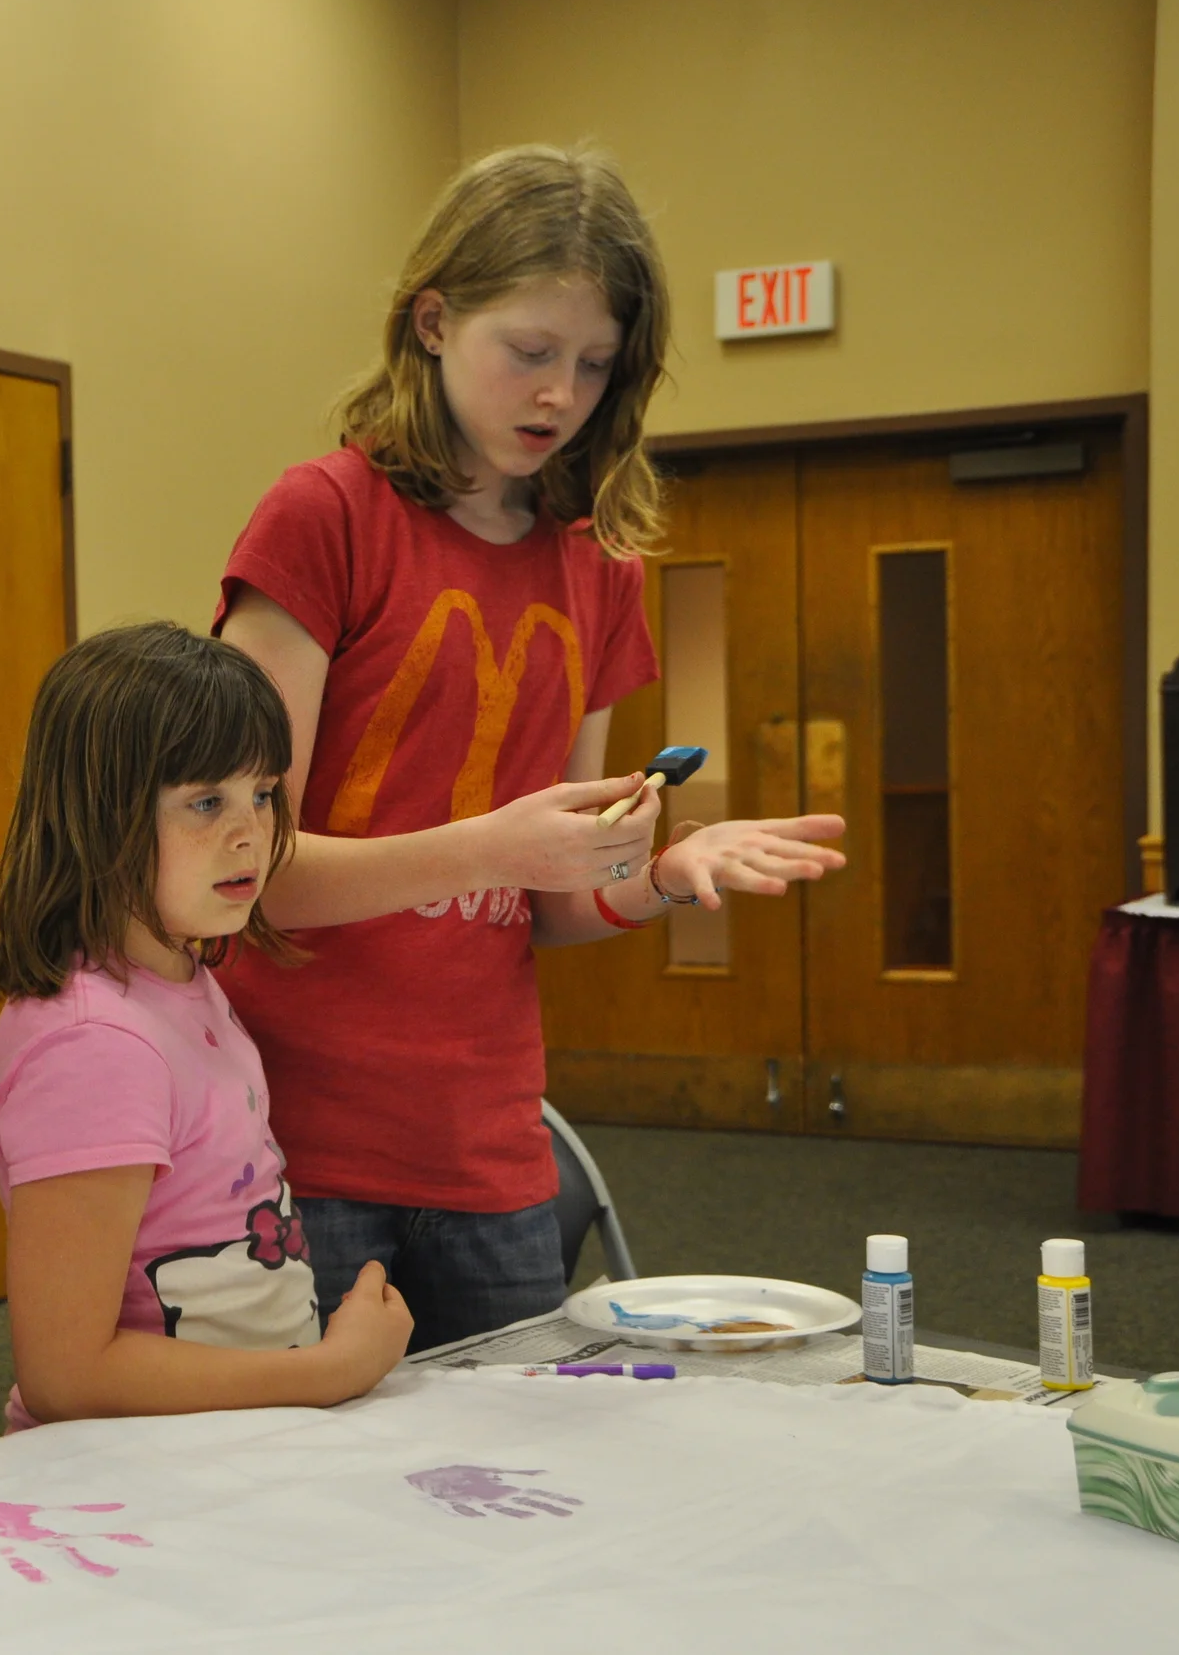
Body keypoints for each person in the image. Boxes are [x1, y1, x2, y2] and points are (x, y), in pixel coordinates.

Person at [215, 146, 845, 1351]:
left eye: (595, 365)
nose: (560, 395)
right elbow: (243, 870)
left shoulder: (598, 569)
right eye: (530, 351)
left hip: (488, 1143)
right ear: (435, 321)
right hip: (301, 1130)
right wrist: (487, 847)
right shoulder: (323, 516)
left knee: (515, 1488)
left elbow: (549, 899)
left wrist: (655, 875)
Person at [0, 622, 414, 1427]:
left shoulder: (183, 980)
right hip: (137, 1483)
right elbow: (66, 1375)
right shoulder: (93, 1047)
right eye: (207, 802)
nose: (251, 831)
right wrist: (329, 1371)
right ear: (101, 817)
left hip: (227, 1448)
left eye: (263, 794)